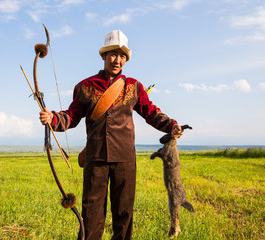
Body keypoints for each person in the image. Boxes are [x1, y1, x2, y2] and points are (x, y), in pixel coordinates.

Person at [39, 30, 183, 240]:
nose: (117, 60)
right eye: (113, 55)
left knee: (124, 214)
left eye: (122, 56)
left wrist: (171, 125)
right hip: (95, 159)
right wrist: (52, 118)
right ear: (104, 56)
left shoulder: (133, 87)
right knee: (91, 214)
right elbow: (71, 116)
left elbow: (151, 112)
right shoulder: (85, 86)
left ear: (126, 59)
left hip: (125, 159)